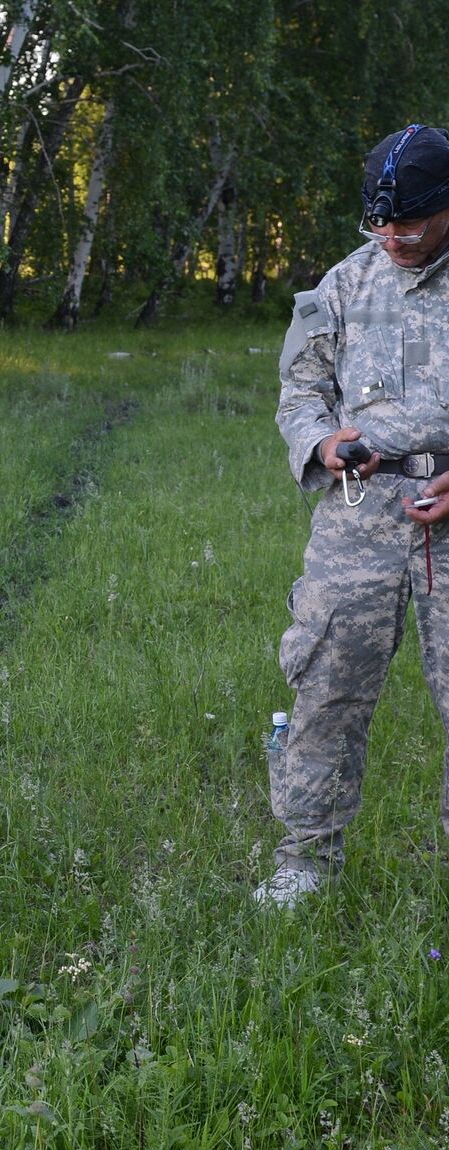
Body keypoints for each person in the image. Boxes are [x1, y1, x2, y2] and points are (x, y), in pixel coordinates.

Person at [261, 122, 449, 907]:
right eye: (379, 223)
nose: (393, 237)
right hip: (357, 515)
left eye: (409, 222)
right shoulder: (343, 283)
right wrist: (322, 438)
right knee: (326, 685)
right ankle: (304, 861)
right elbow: (300, 389)